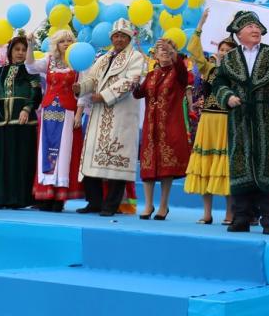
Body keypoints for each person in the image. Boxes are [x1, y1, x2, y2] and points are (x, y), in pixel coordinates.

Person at [215, 10, 269, 235]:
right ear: (238, 33)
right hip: (239, 119)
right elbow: (219, 82)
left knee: (267, 166)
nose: (255, 30)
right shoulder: (230, 58)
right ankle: (241, 217)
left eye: (257, 26)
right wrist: (227, 97)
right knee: (241, 166)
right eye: (250, 27)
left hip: (266, 118)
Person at [74, 19, 146, 217]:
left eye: (123, 36)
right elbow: (92, 78)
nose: (119, 39)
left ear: (129, 38)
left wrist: (104, 95)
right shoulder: (104, 58)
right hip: (99, 115)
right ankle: (94, 202)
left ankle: (111, 205)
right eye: (116, 36)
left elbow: (130, 82)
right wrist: (81, 88)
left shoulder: (136, 57)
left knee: (115, 160)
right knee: (90, 156)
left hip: (120, 114)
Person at [184, 11, 233, 225]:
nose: (223, 52)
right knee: (206, 166)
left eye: (228, 50)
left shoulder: (239, 73)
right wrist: (201, 23)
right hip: (208, 121)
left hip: (227, 121)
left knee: (225, 168)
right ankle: (207, 213)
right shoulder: (209, 69)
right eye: (221, 49)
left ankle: (230, 214)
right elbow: (193, 50)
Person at [135, 37, 191, 220]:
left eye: (168, 50)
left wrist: (174, 53)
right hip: (151, 126)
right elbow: (138, 94)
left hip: (170, 125)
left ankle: (163, 205)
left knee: (167, 167)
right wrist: (134, 82)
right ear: (155, 55)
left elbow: (184, 71)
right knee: (148, 165)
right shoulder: (152, 75)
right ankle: (148, 205)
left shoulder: (179, 73)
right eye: (161, 50)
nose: (164, 52)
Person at [0, 34, 42, 208]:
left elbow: (36, 94)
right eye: (17, 49)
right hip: (1, 119)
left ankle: (19, 198)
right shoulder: (2, 70)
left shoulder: (31, 70)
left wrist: (27, 108)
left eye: (24, 50)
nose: (20, 53)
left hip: (22, 120)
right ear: (10, 51)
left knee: (19, 159)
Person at [32, 29, 84, 211]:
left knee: (63, 153)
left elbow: (84, 92)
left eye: (69, 40)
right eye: (63, 41)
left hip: (68, 111)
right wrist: (30, 45)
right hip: (48, 112)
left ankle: (59, 197)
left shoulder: (78, 62)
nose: (66, 44)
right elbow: (30, 66)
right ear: (57, 44)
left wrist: (79, 114)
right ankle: (45, 194)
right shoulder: (48, 60)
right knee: (45, 151)